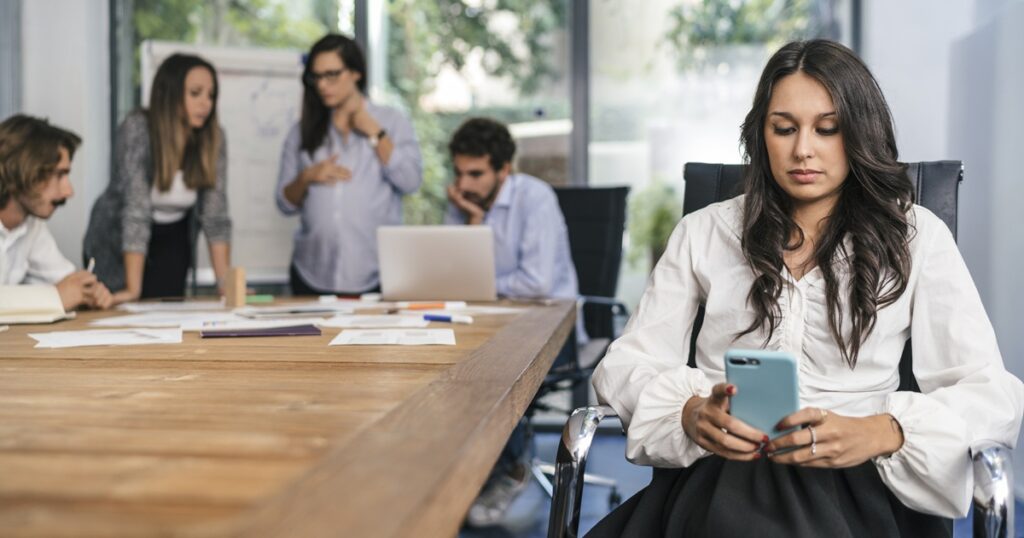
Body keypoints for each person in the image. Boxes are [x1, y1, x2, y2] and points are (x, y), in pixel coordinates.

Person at [589, 39, 1023, 537]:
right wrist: (690, 413)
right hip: (722, 474)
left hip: (860, 482)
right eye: (784, 128)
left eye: (827, 128)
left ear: (859, 132)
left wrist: (882, 431)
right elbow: (626, 364)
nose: (803, 150)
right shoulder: (704, 232)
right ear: (762, 135)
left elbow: (990, 392)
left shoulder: (917, 237)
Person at [445, 117, 581, 527]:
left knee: (495, 366)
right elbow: (453, 274)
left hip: (552, 328)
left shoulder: (534, 197)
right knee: (448, 358)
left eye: (475, 174)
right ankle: (469, 466)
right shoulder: (464, 201)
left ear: (504, 169)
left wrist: (478, 286)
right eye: (458, 173)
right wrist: (473, 221)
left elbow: (536, 284)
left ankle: (511, 470)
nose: (464, 184)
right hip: (491, 321)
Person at [277, 34, 422, 296]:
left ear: (356, 73)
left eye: (332, 75)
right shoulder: (301, 132)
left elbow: (411, 181)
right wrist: (307, 177)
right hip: (311, 274)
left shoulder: (392, 121)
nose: (322, 85)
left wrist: (376, 134)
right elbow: (284, 203)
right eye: (316, 77)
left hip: (376, 276)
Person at [84, 54, 231, 302]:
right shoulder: (137, 128)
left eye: (211, 95)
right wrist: (133, 289)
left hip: (173, 238)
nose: (205, 103)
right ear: (170, 94)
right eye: (195, 93)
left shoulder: (214, 137)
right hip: (119, 241)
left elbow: (215, 215)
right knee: (120, 307)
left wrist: (225, 283)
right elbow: (136, 210)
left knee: (167, 309)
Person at [0, 115, 112, 311]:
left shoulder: (31, 226)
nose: (69, 192)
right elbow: (62, 293)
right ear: (22, 169)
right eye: (59, 175)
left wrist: (90, 291)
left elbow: (67, 281)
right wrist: (54, 297)